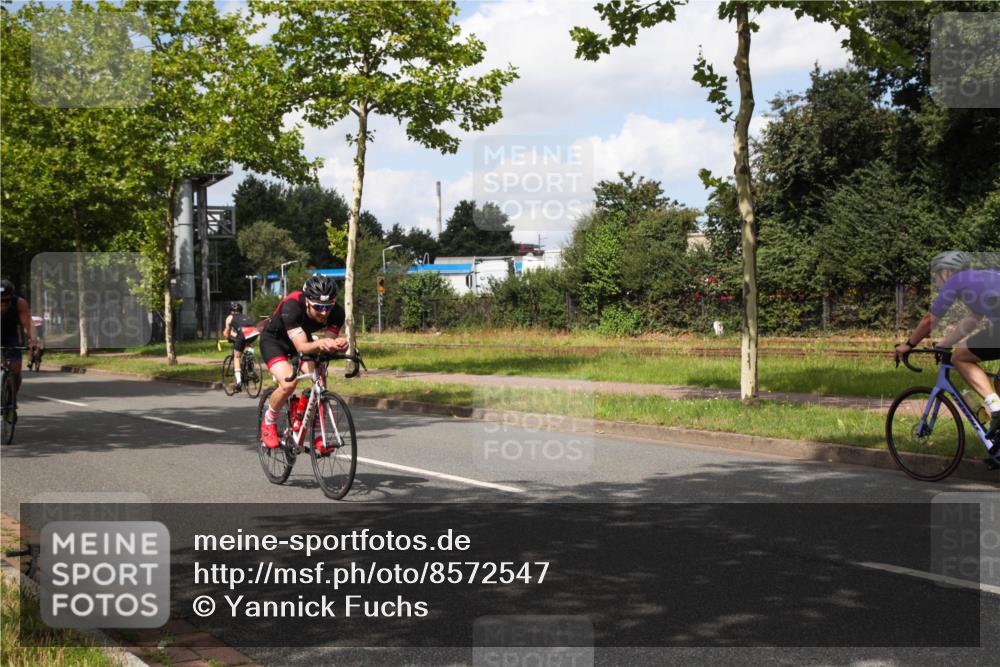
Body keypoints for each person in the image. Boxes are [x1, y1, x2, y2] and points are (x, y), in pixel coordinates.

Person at [895, 251, 1000, 449]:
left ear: (946, 272)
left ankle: (996, 408)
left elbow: (929, 320)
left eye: (936, 275)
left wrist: (909, 344)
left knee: (960, 357)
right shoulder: (980, 279)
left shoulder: (955, 281)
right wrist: (945, 342)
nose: (936, 282)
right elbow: (972, 319)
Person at [258, 274, 349, 449]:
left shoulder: (337, 313)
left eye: (328, 307)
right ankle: (269, 421)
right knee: (288, 384)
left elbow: (326, 345)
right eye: (318, 307)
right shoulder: (292, 305)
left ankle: (317, 431)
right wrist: (320, 343)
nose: (324, 312)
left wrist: (338, 344)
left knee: (318, 380)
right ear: (307, 301)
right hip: (275, 341)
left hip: (302, 338)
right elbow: (301, 347)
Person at [1, 279, 39, 399]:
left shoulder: (20, 303)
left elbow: (28, 324)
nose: (2, 303)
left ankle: (12, 398)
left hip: (10, 336)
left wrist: (33, 341)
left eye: (6, 300)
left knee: (16, 369)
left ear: (11, 297)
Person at [222, 302, 257, 391]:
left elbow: (227, 333)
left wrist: (227, 337)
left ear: (231, 311)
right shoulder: (246, 316)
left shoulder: (230, 317)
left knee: (237, 357)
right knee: (247, 345)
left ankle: (238, 382)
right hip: (253, 332)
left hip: (242, 333)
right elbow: (241, 332)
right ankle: (250, 364)